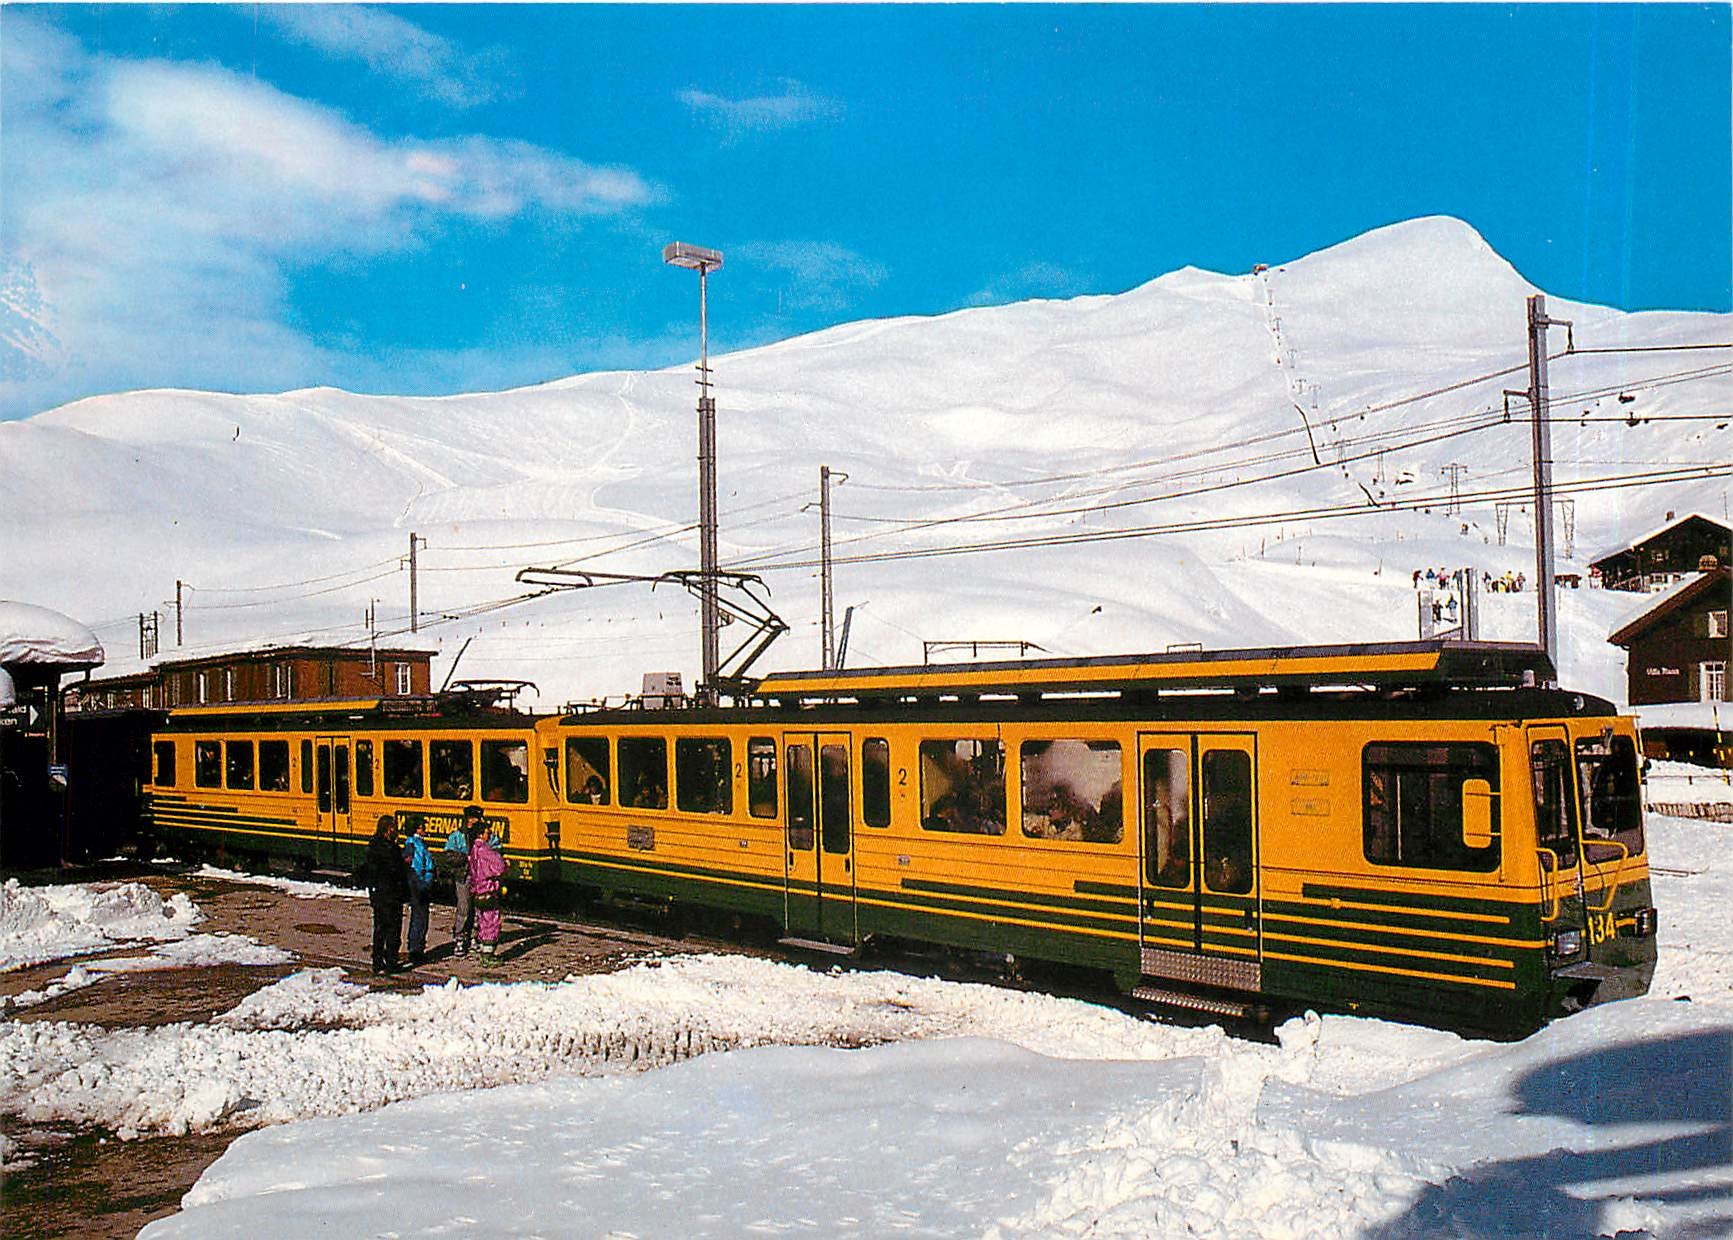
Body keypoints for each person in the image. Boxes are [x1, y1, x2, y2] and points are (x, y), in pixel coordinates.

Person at [362, 813, 408, 974]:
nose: (396, 830)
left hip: (378, 894)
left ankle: (377, 961)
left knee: (379, 929)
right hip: (391, 895)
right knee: (393, 929)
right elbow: (395, 869)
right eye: (394, 827)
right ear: (388, 829)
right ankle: (391, 962)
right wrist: (404, 863)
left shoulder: (372, 845)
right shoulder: (389, 849)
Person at [443, 805, 482, 956]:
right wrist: (465, 858)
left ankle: (474, 937)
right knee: (464, 907)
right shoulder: (457, 836)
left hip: (479, 877)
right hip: (463, 875)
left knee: (478, 909)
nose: (476, 821)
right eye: (474, 818)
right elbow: (449, 856)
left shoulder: (483, 836)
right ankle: (460, 938)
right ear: (468, 819)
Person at [468, 826, 508, 963]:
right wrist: (505, 863)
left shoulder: (473, 849)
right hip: (488, 890)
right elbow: (499, 865)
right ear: (480, 834)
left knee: (483, 922)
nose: (489, 835)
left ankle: (484, 952)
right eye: (487, 832)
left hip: (478, 889)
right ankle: (488, 956)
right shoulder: (485, 850)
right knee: (492, 922)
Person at [400, 816, 435, 967]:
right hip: (418, 884)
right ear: (416, 829)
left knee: (422, 917)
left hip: (422, 883)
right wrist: (422, 882)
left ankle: (418, 947)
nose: (424, 829)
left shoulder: (418, 843)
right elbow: (415, 866)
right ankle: (415, 950)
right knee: (419, 917)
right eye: (422, 827)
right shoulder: (412, 845)